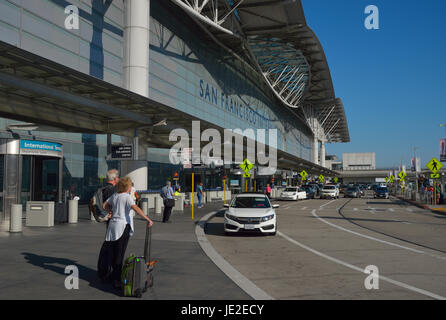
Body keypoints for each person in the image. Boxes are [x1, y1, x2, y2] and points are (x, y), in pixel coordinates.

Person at [102, 177, 153, 289]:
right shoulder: (126, 197)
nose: (131, 188)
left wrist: (110, 211)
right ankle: (117, 280)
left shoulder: (115, 195)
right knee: (120, 254)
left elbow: (104, 205)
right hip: (122, 226)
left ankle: (112, 275)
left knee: (114, 252)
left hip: (112, 226)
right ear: (127, 187)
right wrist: (147, 219)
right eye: (130, 186)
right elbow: (136, 209)